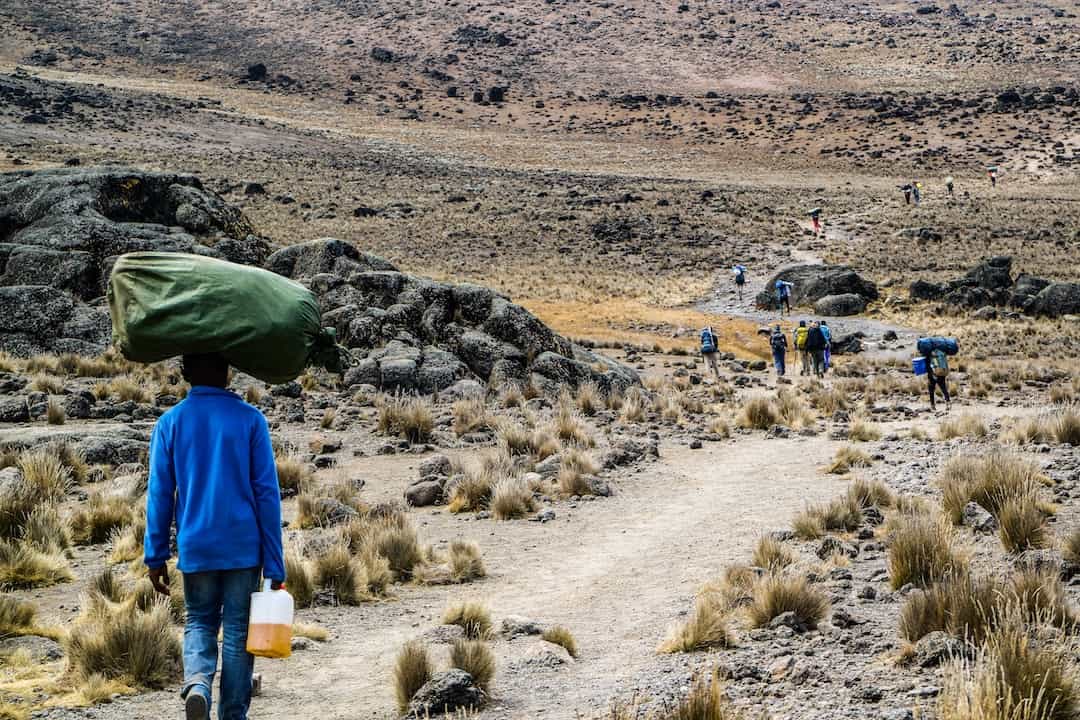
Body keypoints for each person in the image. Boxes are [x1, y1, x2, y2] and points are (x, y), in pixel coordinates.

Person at [145, 353, 285, 720]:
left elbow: (160, 493)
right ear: (227, 373)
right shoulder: (251, 421)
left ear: (187, 375)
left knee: (199, 622)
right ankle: (233, 714)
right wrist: (275, 561)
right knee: (239, 633)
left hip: (197, 545)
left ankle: (198, 685)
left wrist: (155, 555)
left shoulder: (169, 423)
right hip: (243, 548)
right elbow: (267, 494)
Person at [919, 343, 952, 412]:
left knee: (931, 390)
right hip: (942, 372)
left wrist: (933, 374)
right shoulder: (941, 352)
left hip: (933, 374)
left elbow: (930, 365)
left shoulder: (930, 354)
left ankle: (932, 406)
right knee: (943, 388)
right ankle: (948, 403)